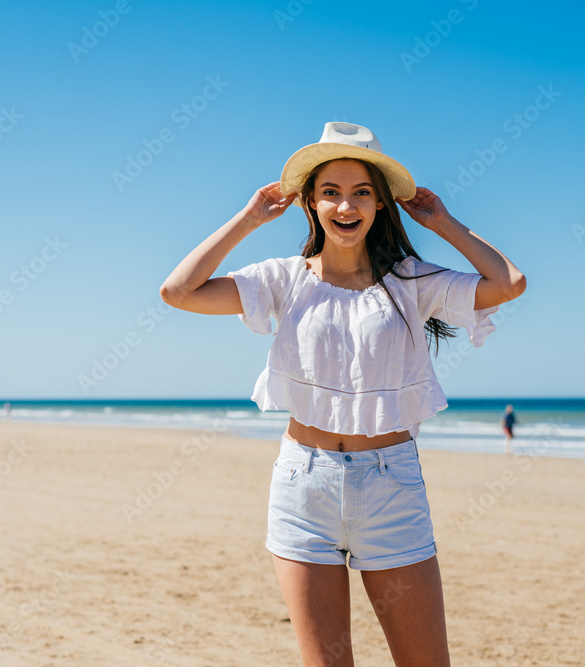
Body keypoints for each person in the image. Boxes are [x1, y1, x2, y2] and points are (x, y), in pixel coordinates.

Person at [160, 121, 526, 666]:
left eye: (361, 192)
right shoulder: (283, 279)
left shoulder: (412, 281)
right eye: (330, 192)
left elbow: (508, 282)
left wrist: (444, 222)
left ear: (380, 204)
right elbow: (179, 291)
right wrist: (250, 217)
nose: (345, 205)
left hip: (392, 487)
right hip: (303, 486)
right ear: (310, 203)